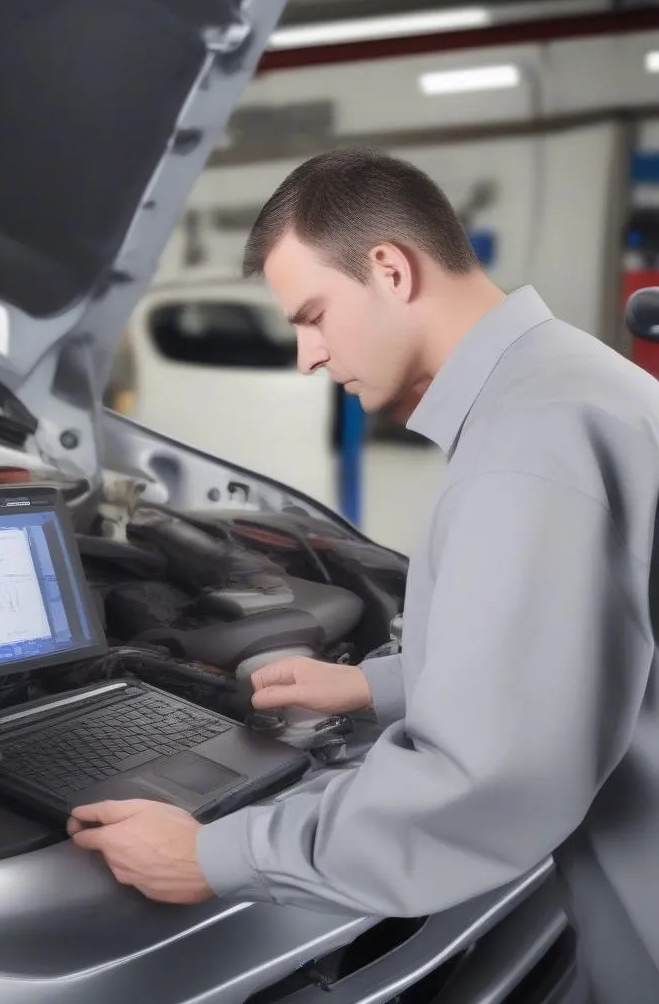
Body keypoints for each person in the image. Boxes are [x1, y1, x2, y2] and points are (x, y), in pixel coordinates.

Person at [68, 148, 659, 999]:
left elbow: (487, 780)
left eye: (313, 314)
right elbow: (578, 649)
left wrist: (212, 855)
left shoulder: (528, 448)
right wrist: (378, 686)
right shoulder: (566, 384)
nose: (307, 356)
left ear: (389, 269)